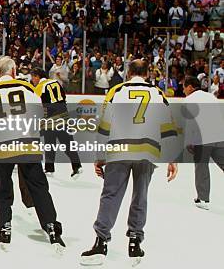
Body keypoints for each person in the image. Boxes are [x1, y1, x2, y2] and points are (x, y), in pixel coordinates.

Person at [81, 59, 179, 266]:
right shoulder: (157, 93)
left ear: (129, 73)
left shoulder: (117, 91)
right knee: (140, 196)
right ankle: (135, 242)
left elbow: (104, 124)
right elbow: (168, 125)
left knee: (111, 195)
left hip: (119, 149)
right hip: (148, 150)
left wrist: (99, 156)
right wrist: (172, 157)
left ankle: (101, 241)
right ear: (147, 74)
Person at [0, 56, 65, 251]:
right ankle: (51, 226)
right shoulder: (27, 89)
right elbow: (40, 114)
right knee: (38, 187)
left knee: (3, 188)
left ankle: (4, 228)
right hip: (27, 143)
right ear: (14, 71)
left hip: (1, 145)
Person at [31, 68, 82, 178]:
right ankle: (77, 165)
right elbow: (63, 97)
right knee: (67, 142)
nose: (32, 80)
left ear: (37, 76)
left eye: (33, 77)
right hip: (63, 116)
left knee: (49, 143)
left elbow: (35, 103)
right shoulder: (56, 82)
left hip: (50, 118)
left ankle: (49, 168)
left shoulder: (40, 86)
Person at [182, 76, 224, 210]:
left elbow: (190, 122)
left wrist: (189, 142)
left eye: (184, 87)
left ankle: (203, 199)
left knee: (201, 167)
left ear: (190, 87)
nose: (183, 91)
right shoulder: (211, 96)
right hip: (219, 135)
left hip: (202, 138)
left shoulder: (189, 100)